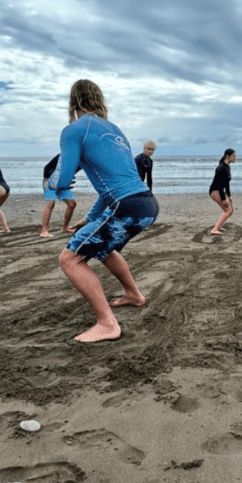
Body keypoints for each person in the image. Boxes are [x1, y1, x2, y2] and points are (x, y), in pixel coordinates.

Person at [49, 80, 159, 343]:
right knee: (103, 247)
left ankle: (107, 324)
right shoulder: (115, 130)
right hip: (147, 203)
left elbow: (62, 181)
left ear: (74, 101)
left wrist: (51, 182)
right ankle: (134, 295)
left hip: (126, 205)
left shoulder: (74, 130)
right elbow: (112, 183)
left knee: (70, 259)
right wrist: (89, 218)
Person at [40, 154, 80, 238]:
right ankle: (44, 231)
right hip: (50, 182)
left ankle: (65, 227)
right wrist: (46, 179)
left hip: (63, 184)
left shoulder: (81, 160)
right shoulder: (63, 155)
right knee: (50, 203)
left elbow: (72, 171)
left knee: (72, 204)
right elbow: (46, 167)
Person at [208, 148, 237, 235]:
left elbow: (226, 183)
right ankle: (215, 229)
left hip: (219, 191)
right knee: (228, 210)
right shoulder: (221, 168)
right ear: (228, 157)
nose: (235, 158)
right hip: (215, 191)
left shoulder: (227, 167)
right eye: (234, 156)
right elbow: (220, 185)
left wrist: (229, 196)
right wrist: (223, 199)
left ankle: (218, 227)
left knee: (229, 210)